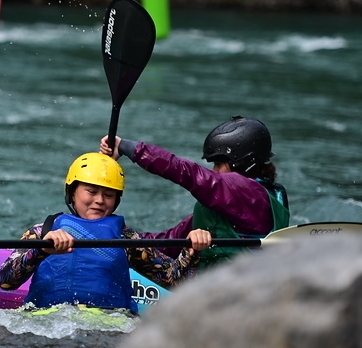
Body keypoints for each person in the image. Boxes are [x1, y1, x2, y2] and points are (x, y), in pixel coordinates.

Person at [0, 153, 213, 313]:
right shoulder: (42, 232)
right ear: (72, 192)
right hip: (46, 322)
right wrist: (41, 250)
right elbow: (6, 281)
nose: (100, 200)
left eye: (109, 195)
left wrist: (192, 249)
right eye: (91, 192)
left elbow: (173, 279)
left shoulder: (127, 240)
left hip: (111, 324)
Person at [100, 115, 290, 269]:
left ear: (243, 163)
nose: (214, 171)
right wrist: (118, 240)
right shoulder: (231, 205)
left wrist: (128, 148)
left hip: (232, 295)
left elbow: (186, 172)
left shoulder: (250, 194)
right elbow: (172, 240)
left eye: (218, 164)